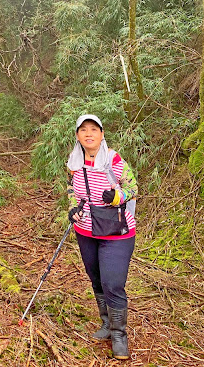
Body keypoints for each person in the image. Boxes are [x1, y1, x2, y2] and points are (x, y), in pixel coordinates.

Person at [67, 114, 137, 360]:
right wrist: (72, 208)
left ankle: (119, 334)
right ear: (77, 135)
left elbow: (133, 189)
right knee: (96, 279)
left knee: (113, 283)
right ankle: (107, 324)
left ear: (102, 133)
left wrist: (117, 197)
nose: (89, 134)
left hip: (116, 231)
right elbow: (71, 190)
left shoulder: (114, 160)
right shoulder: (74, 163)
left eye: (93, 129)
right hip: (85, 230)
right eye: (83, 130)